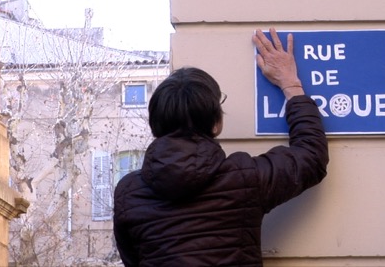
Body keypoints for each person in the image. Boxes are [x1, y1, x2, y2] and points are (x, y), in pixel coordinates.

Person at [113, 28, 329, 266]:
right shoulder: (245, 178)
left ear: (155, 124)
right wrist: (291, 85)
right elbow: (311, 157)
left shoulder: (128, 193)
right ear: (216, 124)